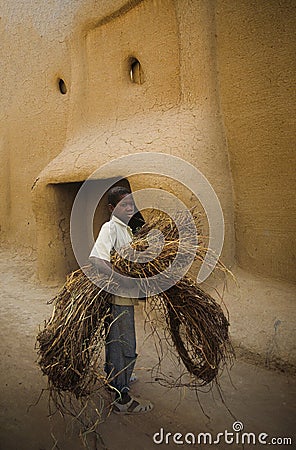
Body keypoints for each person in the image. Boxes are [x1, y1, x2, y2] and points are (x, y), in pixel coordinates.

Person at [89, 186, 153, 414]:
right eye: (123, 204)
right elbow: (98, 260)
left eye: (131, 204)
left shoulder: (126, 230)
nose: (129, 208)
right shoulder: (110, 228)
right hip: (118, 296)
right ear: (111, 208)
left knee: (116, 339)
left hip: (125, 295)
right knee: (124, 342)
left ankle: (117, 375)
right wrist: (124, 281)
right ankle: (121, 397)